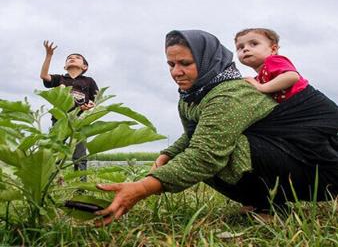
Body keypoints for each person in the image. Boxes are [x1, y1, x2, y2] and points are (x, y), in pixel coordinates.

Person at [95, 30, 338, 225]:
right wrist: (167, 153)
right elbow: (195, 133)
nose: (176, 72)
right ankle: (266, 204)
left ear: (206, 60)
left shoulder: (229, 94)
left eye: (185, 63)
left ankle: (270, 206)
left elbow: (205, 153)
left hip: (322, 170)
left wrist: (143, 188)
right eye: (171, 64)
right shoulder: (193, 95)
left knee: (217, 152)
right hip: (289, 155)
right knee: (198, 149)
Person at [40, 41, 99, 181]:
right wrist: (49, 55)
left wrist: (88, 106)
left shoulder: (88, 81)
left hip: (80, 122)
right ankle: (51, 181)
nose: (72, 58)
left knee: (80, 154)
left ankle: (80, 185)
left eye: (77, 57)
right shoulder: (60, 79)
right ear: (65, 66)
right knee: (54, 152)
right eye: (69, 58)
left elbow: (95, 99)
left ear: (85, 66)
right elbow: (44, 76)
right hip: (60, 121)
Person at [235, 28, 308, 103]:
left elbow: (292, 76)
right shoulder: (258, 79)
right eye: (240, 47)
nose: (245, 49)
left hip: (308, 101)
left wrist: (261, 87)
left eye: (254, 44)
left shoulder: (273, 60)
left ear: (273, 50)